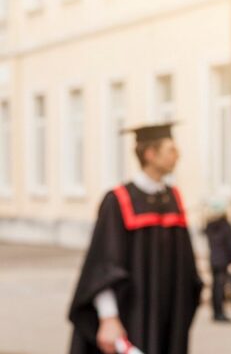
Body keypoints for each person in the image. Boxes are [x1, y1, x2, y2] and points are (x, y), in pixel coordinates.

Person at [68, 123, 202, 354]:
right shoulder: (119, 201)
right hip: (130, 318)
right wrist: (108, 318)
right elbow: (102, 265)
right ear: (150, 154)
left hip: (167, 319)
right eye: (170, 149)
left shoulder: (173, 199)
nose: (177, 154)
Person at [204, 196, 231, 323]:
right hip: (223, 259)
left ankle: (216, 312)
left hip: (213, 259)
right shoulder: (225, 225)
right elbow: (230, 243)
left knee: (215, 286)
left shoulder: (209, 226)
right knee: (220, 286)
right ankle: (220, 313)